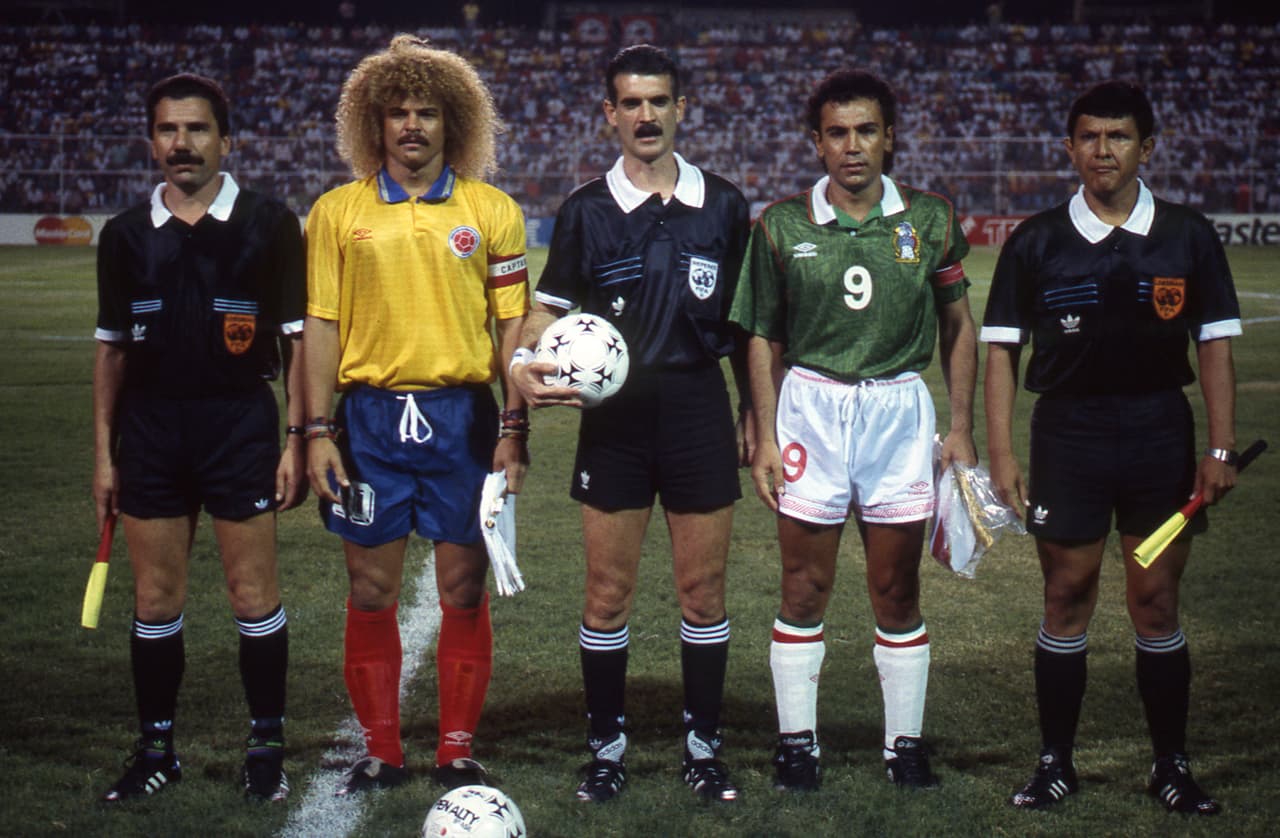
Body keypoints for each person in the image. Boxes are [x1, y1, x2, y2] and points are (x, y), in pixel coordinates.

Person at [982, 80, 1240, 815]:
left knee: (1155, 598)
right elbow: (1001, 352)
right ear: (1069, 148)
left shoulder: (1188, 234)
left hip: (1161, 432)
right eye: (1090, 137)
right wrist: (1003, 455)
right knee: (1066, 595)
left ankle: (1171, 765)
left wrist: (1220, 447)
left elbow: (1216, 343)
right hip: (1068, 435)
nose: (1103, 150)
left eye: (1119, 137)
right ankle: (1054, 762)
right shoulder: (1035, 241)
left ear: (1147, 147)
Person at [508, 44, 752, 803]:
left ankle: (703, 747)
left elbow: (747, 327)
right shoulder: (584, 210)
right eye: (631, 102)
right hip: (612, 419)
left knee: (702, 590)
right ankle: (606, 748)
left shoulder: (725, 204)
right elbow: (543, 311)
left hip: (695, 406)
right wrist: (520, 365)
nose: (646, 115)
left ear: (683, 108)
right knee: (607, 592)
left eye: (660, 101)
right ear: (609, 114)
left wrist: (756, 414)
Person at [729, 68, 978, 792]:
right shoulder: (781, 223)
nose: (852, 146)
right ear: (816, 143)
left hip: (898, 411)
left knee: (896, 587)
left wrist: (960, 428)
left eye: (866, 130)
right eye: (836, 133)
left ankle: (904, 744)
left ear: (889, 137)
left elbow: (961, 327)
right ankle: (796, 743)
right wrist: (767, 434)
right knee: (803, 584)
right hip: (812, 407)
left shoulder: (930, 219)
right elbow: (762, 337)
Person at [303, 35, 530, 796]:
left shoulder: (491, 211)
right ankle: (382, 750)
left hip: (463, 419)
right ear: (373, 123)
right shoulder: (336, 213)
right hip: (366, 424)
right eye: (397, 112)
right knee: (371, 589)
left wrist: (513, 429)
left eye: (426, 112)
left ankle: (456, 749)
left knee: (463, 588)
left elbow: (512, 335)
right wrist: (311, 432)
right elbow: (322, 328)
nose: (411, 126)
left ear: (452, 122)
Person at [92, 73, 306, 803]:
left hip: (239, 423)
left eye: (196, 129)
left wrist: (298, 438)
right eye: (167, 130)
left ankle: (266, 748)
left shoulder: (270, 223)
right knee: (154, 599)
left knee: (253, 593)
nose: (181, 144)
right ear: (151, 140)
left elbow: (299, 343)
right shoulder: (124, 236)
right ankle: (156, 750)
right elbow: (113, 351)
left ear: (225, 138)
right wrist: (103, 456)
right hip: (150, 432)